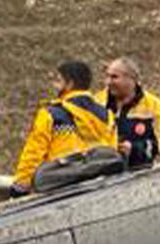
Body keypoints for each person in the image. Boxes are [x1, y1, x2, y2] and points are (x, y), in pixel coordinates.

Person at [10, 59, 115, 195]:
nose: (54, 85)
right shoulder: (107, 116)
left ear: (69, 84)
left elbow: (34, 153)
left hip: (58, 188)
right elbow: (111, 152)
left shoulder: (51, 114)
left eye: (59, 80)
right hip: (96, 189)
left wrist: (21, 184)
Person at [103, 56, 160, 169]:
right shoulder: (98, 102)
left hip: (139, 172)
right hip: (103, 172)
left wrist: (134, 149)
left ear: (131, 79)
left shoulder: (153, 105)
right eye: (107, 76)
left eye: (114, 77)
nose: (108, 82)